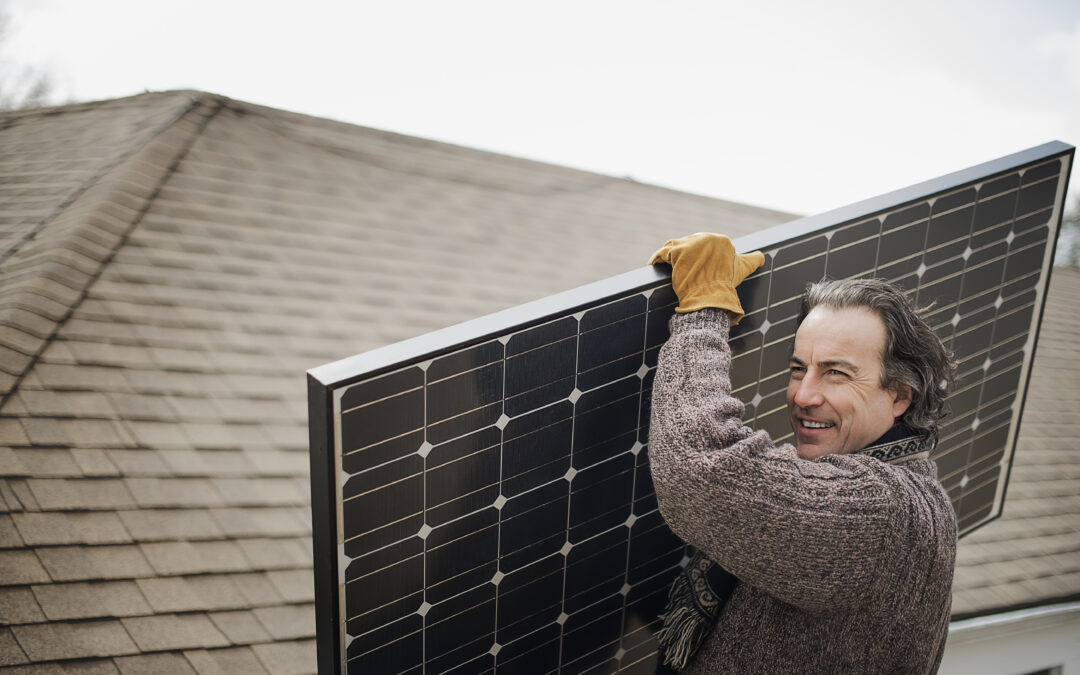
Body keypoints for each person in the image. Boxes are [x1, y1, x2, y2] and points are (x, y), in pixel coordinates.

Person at [647, 233, 958, 674]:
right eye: (798, 369)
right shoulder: (898, 488)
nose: (804, 395)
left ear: (900, 397)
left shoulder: (884, 512)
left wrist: (703, 312)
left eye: (836, 373)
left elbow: (700, 470)